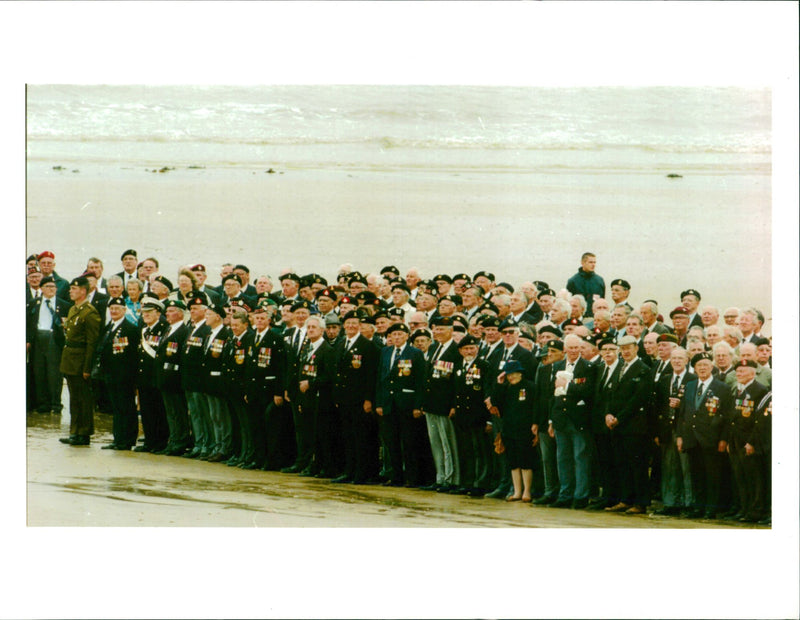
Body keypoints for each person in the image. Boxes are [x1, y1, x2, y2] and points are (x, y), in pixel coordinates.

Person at [676, 352, 734, 519]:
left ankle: (711, 508)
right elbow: (683, 413)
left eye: (705, 365)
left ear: (711, 367)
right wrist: (680, 436)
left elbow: (727, 416)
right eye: (699, 365)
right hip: (692, 438)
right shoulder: (690, 385)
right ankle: (698, 506)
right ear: (694, 368)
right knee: (696, 475)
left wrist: (723, 438)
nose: (702, 368)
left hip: (712, 439)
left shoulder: (721, 387)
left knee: (712, 476)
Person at [375, 323, 431, 487]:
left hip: (406, 403)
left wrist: (418, 405)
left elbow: (421, 381)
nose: (397, 337)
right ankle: (396, 475)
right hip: (388, 403)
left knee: (409, 442)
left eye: (400, 334)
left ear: (407, 336)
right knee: (391, 442)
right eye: (394, 335)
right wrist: (379, 402)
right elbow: (380, 378)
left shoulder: (415, 353)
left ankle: (412, 477)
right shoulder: (385, 352)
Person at [547, 334, 596, 509]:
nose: (574, 351)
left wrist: (567, 386)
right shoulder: (557, 366)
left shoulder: (589, 367)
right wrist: (551, 420)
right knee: (563, 458)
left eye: (577, 347)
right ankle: (565, 494)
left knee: (580, 457)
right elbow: (552, 395)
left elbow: (587, 391)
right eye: (571, 347)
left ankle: (580, 495)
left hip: (578, 419)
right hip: (561, 418)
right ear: (565, 348)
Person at [331, 311, 380, 485]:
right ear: (344, 325)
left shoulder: (367, 346)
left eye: (354, 323)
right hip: (344, 399)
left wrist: (368, 399)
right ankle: (349, 470)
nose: (351, 326)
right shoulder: (340, 344)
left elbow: (371, 375)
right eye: (348, 323)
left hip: (360, 400)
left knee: (362, 438)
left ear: (359, 325)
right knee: (348, 436)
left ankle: (362, 472)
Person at [604, 335, 651, 514]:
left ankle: (640, 502)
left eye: (628, 348)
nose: (625, 351)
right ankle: (626, 499)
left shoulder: (643, 370)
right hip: (617, 425)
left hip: (634, 425)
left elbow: (638, 399)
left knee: (637, 465)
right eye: (622, 349)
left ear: (636, 348)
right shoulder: (619, 368)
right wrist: (608, 413)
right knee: (621, 463)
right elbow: (610, 393)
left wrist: (619, 418)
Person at [58, 276, 101, 446]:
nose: (70, 291)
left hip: (81, 360)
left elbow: (92, 343)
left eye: (74, 289)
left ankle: (84, 433)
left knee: (83, 398)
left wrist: (87, 367)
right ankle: (75, 431)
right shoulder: (73, 310)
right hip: (70, 360)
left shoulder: (89, 312)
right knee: (74, 398)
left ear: (83, 291)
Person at [420, 316, 461, 493]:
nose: (437, 332)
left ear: (451, 330)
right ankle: (440, 476)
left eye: (442, 329)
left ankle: (451, 478)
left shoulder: (454, 350)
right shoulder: (435, 348)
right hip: (431, 404)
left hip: (444, 405)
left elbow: (454, 382)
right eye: (435, 329)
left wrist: (453, 405)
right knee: (435, 442)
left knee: (447, 443)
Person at [725, 359, 769, 523]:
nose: (739, 373)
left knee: (754, 478)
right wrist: (730, 440)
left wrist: (752, 442)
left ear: (752, 372)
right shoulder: (737, 389)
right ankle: (744, 508)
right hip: (736, 439)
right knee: (740, 477)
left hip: (749, 440)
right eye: (737, 371)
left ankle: (756, 510)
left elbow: (759, 421)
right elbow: (733, 417)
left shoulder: (759, 390)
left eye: (743, 371)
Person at [93, 297, 140, 450]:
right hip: (110, 375)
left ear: (124, 310)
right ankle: (118, 438)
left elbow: (132, 356)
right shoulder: (109, 327)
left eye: (117, 309)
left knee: (126, 408)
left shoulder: (130, 329)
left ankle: (127, 440)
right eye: (111, 308)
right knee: (117, 408)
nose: (113, 311)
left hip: (124, 376)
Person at [492, 360, 537, 502]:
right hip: (509, 429)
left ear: (520, 373)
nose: (511, 377)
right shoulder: (506, 388)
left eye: (513, 374)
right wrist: (499, 383)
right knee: (513, 462)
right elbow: (495, 402)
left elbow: (535, 406)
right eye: (508, 375)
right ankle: (517, 491)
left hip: (525, 429)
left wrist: (535, 424)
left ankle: (527, 491)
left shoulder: (530, 386)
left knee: (525, 461)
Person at [26, 275, 69, 413]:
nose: (51, 289)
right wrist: (27, 340)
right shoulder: (33, 303)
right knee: (39, 372)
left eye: (53, 287)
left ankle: (56, 404)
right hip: (38, 338)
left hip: (54, 339)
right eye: (47, 287)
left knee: (54, 374)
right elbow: (27, 324)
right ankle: (42, 404)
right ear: (41, 288)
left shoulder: (64, 305)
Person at [154, 299, 191, 456]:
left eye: (171, 311)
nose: (167, 314)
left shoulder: (183, 331)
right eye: (167, 311)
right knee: (171, 412)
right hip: (165, 378)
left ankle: (181, 440)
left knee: (178, 411)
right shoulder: (168, 329)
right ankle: (174, 439)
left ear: (180, 313)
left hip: (174, 378)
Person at [180, 296, 213, 460]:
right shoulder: (191, 328)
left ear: (205, 311)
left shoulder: (206, 329)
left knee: (203, 414)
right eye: (191, 309)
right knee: (195, 415)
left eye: (196, 309)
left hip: (199, 381)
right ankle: (199, 444)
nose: (192, 312)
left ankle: (206, 444)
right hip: (189, 380)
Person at [135, 298, 169, 452]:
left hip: (155, 377)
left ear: (158, 313)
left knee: (158, 410)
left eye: (149, 312)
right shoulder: (144, 329)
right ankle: (149, 441)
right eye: (144, 312)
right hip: (143, 377)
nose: (145, 315)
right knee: (147, 411)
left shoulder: (163, 329)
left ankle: (160, 442)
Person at [565, 252, 605, 317]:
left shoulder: (599, 281)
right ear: (582, 263)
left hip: (595, 318)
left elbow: (602, 300)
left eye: (594, 262)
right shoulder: (573, 281)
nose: (593, 265)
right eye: (590, 262)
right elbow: (568, 303)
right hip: (578, 318)